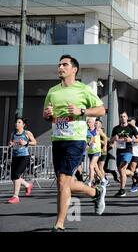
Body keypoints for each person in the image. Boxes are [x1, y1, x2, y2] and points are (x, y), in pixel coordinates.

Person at [42, 54, 106, 231]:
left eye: (64, 65)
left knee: (63, 181)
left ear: (74, 70)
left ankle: (59, 224)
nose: (60, 68)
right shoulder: (52, 91)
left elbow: (101, 110)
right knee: (63, 183)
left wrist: (81, 110)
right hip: (58, 140)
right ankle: (95, 192)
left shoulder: (83, 89)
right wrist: (48, 116)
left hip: (76, 140)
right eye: (59, 65)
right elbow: (47, 116)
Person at [7, 117, 37, 204]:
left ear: (23, 124)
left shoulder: (27, 133)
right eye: (16, 122)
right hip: (15, 156)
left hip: (24, 157)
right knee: (13, 177)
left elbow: (35, 142)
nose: (17, 124)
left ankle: (15, 196)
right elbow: (11, 142)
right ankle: (28, 185)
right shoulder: (13, 133)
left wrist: (26, 143)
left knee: (17, 175)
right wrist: (10, 144)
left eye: (19, 122)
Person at [110, 111, 138, 197]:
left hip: (128, 151)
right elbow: (111, 140)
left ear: (127, 118)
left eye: (124, 116)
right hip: (119, 151)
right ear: (119, 118)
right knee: (120, 171)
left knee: (122, 169)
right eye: (121, 117)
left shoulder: (131, 128)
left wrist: (132, 140)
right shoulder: (116, 128)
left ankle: (122, 190)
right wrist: (113, 139)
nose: (123, 118)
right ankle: (134, 174)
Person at [86, 117, 106, 187]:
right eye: (87, 122)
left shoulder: (97, 130)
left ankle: (90, 182)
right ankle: (103, 180)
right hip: (90, 151)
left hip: (97, 151)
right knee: (96, 168)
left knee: (91, 166)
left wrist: (104, 146)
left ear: (93, 123)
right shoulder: (86, 131)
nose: (88, 123)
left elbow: (105, 137)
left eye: (89, 122)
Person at [95, 119, 109, 185]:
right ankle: (98, 180)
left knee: (100, 167)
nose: (95, 124)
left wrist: (98, 140)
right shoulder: (93, 130)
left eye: (97, 123)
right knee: (95, 166)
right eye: (95, 123)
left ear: (100, 125)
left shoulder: (101, 131)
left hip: (102, 151)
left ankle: (104, 180)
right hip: (95, 151)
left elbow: (105, 141)